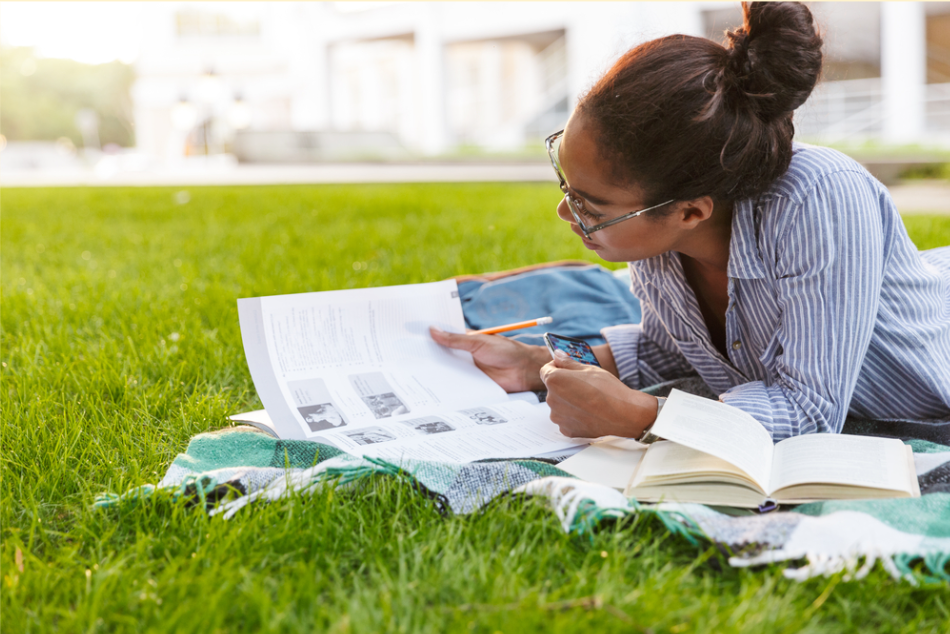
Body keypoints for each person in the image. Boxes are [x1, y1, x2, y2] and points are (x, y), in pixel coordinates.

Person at [431, 1, 950, 443]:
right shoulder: (656, 244)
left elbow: (811, 411)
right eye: (565, 184)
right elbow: (666, 352)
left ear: (690, 212)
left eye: (591, 205)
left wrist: (643, 417)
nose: (566, 213)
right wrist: (531, 364)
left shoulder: (818, 197)